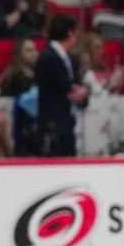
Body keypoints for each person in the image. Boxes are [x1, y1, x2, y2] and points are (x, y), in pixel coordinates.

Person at [35, 13, 88, 157]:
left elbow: (75, 87)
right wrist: (75, 91)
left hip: (66, 123)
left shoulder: (69, 59)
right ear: (71, 33)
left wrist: (79, 92)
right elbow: (66, 88)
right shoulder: (48, 57)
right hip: (52, 125)